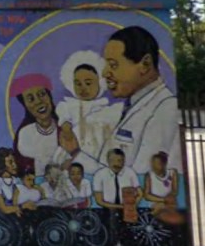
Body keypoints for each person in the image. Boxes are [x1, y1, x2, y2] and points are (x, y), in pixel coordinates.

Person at [60, 26, 179, 173]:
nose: (104, 73)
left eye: (113, 65)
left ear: (145, 64)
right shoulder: (134, 105)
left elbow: (137, 180)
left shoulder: (163, 109)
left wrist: (76, 154)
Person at [55, 54, 121, 163]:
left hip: (97, 147)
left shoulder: (105, 108)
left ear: (100, 83)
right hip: (73, 144)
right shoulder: (69, 105)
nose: (83, 88)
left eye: (88, 83)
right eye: (78, 84)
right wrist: (66, 126)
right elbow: (63, 116)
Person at [10, 73, 64, 178]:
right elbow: (23, 167)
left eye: (42, 94)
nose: (38, 101)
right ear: (25, 105)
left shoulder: (65, 127)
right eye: (31, 99)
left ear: (49, 96)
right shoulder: (25, 133)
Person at [0, 147, 22, 216]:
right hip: (3, 217)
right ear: (2, 164)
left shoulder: (16, 180)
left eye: (15, 162)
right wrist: (19, 208)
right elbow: (3, 209)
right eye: (10, 162)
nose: (15, 165)